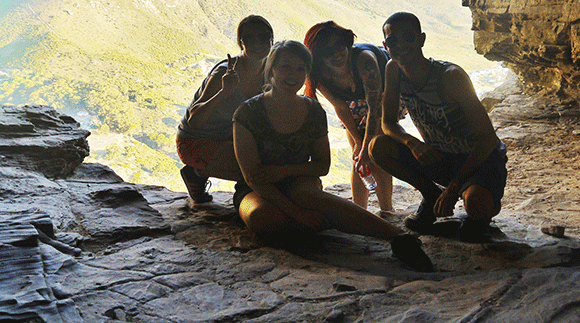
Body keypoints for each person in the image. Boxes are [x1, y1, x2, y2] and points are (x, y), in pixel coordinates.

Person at [232, 40, 432, 271]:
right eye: (285, 66)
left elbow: (322, 166)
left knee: (306, 195)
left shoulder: (312, 110)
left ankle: (400, 238)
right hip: (256, 189)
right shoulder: (247, 113)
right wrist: (296, 211)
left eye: (300, 69)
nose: (292, 75)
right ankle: (314, 220)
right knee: (262, 217)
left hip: (300, 183)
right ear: (271, 68)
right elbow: (252, 177)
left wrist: (282, 172)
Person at [369, 12, 507, 243]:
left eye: (408, 37)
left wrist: (453, 189)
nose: (401, 45)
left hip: (478, 161)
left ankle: (480, 204)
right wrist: (413, 144)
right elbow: (388, 123)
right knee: (378, 147)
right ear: (385, 46)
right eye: (393, 41)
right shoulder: (393, 70)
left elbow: (487, 139)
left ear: (422, 39)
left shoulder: (450, 77)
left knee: (477, 207)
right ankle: (431, 195)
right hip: (440, 157)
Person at [176, 15, 274, 203]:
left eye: (264, 37)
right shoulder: (224, 72)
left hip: (232, 138)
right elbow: (194, 121)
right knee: (258, 171)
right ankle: (196, 172)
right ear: (241, 42)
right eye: (250, 39)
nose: (258, 43)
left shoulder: (269, 72)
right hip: (196, 141)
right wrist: (224, 91)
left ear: (272, 40)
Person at [303, 21, 394, 212]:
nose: (336, 53)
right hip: (357, 104)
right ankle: (359, 210)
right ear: (318, 56)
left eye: (339, 45)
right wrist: (358, 141)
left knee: (376, 149)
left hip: (386, 93)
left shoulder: (365, 61)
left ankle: (387, 210)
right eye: (327, 51)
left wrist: (367, 144)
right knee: (358, 154)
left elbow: (375, 107)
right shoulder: (317, 73)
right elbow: (340, 106)